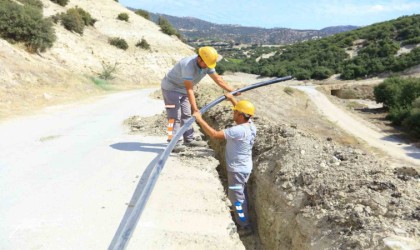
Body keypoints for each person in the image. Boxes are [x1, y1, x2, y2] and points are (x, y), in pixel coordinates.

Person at [193, 93, 256, 236]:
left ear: (240, 115)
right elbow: (241, 109)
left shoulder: (238, 130)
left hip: (237, 170)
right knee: (240, 194)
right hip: (244, 168)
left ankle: (244, 226)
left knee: (237, 199)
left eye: (235, 112)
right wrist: (232, 99)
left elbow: (215, 134)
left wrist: (199, 119)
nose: (233, 113)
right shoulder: (250, 125)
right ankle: (243, 217)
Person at [161, 46, 236, 150]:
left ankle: (189, 139)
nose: (207, 67)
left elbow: (218, 79)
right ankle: (172, 141)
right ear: (199, 58)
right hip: (170, 89)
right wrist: (195, 109)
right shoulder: (188, 65)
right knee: (173, 117)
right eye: (205, 64)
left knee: (186, 114)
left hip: (183, 89)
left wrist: (231, 89)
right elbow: (190, 89)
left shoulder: (207, 63)